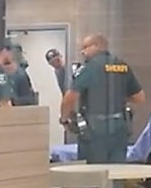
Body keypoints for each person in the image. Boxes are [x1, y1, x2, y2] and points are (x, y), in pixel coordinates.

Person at [59, 33, 145, 163]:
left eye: (85, 47)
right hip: (119, 128)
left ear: (97, 46)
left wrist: (64, 119)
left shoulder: (90, 68)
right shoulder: (122, 66)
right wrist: (118, 97)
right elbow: (140, 98)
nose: (83, 52)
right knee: (116, 172)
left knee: (93, 174)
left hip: (94, 130)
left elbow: (70, 97)